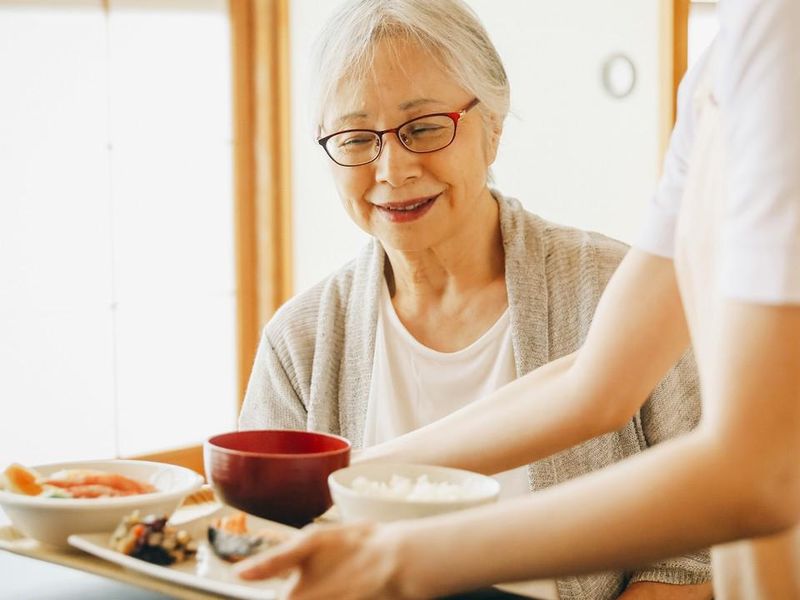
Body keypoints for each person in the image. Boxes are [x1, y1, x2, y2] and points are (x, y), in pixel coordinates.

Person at [235, 0, 800, 598]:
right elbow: (594, 383)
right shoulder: (721, 67)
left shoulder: (777, 32)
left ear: (494, 127)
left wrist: (405, 558)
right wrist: (346, 474)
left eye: (424, 127)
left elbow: (763, 473)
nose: (393, 169)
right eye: (355, 137)